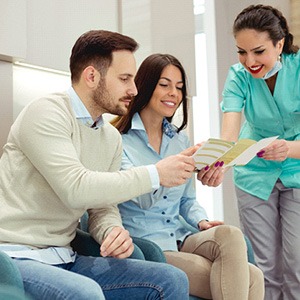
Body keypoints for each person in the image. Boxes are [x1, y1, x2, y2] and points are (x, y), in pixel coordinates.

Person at [0, 30, 196, 300]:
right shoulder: (46, 113)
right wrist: (156, 174)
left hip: (66, 255)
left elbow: (102, 206)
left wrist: (111, 231)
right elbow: (76, 188)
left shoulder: (109, 137)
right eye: (125, 79)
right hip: (15, 256)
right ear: (92, 76)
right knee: (86, 293)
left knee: (170, 279)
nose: (134, 90)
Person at [113, 53, 265, 300]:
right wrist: (168, 169)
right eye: (164, 85)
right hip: (150, 245)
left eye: (179, 87)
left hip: (182, 236)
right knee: (252, 279)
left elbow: (187, 201)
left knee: (231, 235)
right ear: (145, 85)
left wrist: (201, 221)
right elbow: (140, 199)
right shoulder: (119, 141)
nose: (173, 93)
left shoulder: (179, 139)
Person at [219, 4, 300, 300]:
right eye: (241, 52)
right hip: (253, 173)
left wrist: (289, 149)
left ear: (279, 44)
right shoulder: (238, 76)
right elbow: (229, 131)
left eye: (258, 51)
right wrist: (219, 162)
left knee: (298, 266)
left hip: (297, 169)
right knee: (264, 269)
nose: (249, 61)